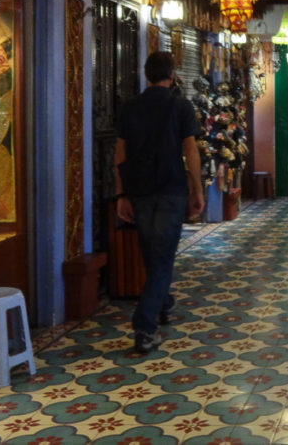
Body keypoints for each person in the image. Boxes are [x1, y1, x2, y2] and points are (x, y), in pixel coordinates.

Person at [115, 51, 204, 353]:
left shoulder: (129, 108)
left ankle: (163, 302)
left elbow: (119, 156)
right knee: (163, 257)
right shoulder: (181, 106)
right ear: (173, 74)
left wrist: (121, 194)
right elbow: (191, 152)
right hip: (170, 190)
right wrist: (197, 190)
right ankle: (144, 325)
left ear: (146, 74)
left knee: (153, 255)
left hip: (139, 193)